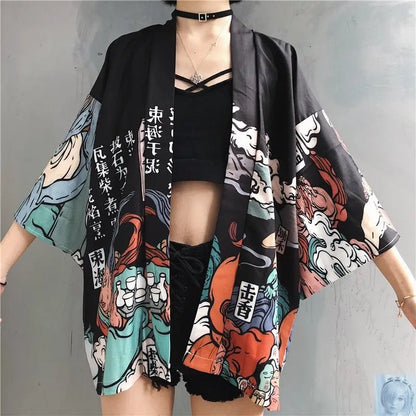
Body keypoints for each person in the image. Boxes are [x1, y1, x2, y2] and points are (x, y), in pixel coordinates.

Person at [1, 1, 415, 415]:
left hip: (239, 284)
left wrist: (406, 290)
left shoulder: (273, 61)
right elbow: (70, 165)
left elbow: (339, 180)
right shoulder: (129, 56)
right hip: (138, 280)